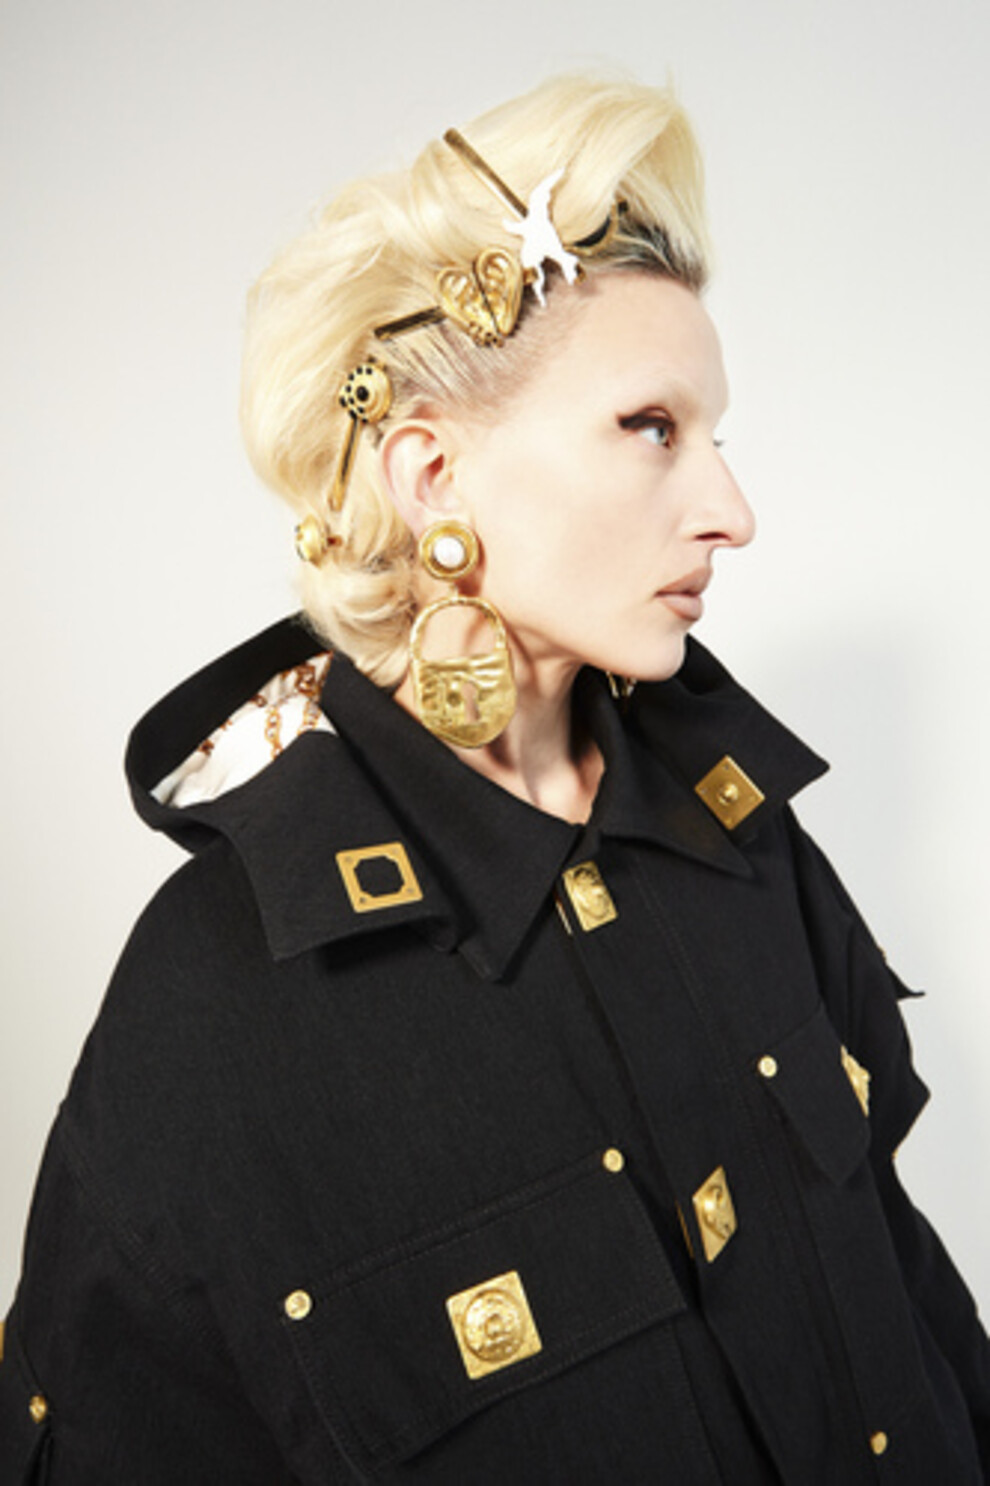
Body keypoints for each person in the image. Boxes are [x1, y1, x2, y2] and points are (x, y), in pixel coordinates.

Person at [0, 72, 987, 1486]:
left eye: (714, 436)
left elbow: (915, 1310)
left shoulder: (743, 838)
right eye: (651, 427)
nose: (732, 511)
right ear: (432, 478)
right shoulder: (212, 999)